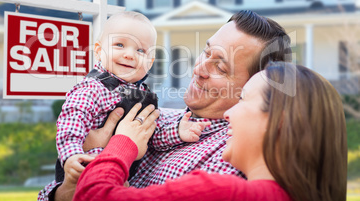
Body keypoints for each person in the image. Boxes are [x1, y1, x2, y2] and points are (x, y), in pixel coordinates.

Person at [40, 10, 292, 200]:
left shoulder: (230, 158)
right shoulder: (162, 118)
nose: (199, 69)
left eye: (221, 67)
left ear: (254, 85)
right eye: (206, 53)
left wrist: (117, 146)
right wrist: (65, 189)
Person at [73, 62, 348, 201]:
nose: (229, 114)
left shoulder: (221, 191)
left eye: (242, 100)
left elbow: (93, 196)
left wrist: (122, 143)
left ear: (279, 123)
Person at [38, 11, 210, 200]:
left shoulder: (144, 97)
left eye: (140, 51)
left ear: (150, 62)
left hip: (119, 180)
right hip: (84, 169)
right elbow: (71, 123)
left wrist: (178, 132)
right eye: (120, 45)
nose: (129, 55)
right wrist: (72, 155)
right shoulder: (92, 88)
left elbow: (151, 135)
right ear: (98, 50)